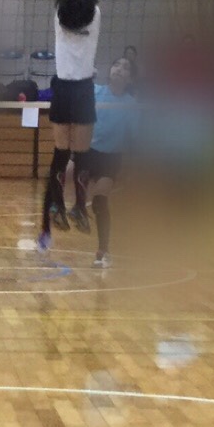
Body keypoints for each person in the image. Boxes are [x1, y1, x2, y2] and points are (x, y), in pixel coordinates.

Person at [37, 0, 105, 250]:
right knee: (82, 155)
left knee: (60, 155)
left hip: (63, 89)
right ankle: (79, 206)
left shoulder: (59, 15)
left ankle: (55, 209)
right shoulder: (95, 14)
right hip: (83, 90)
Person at [83, 54, 139, 269]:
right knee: (57, 179)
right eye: (116, 64)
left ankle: (103, 251)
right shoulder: (95, 92)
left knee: (100, 201)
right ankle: (44, 235)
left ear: (130, 78)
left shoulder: (131, 105)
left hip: (110, 159)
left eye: (125, 67)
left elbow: (135, 138)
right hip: (88, 152)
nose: (119, 69)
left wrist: (132, 169)